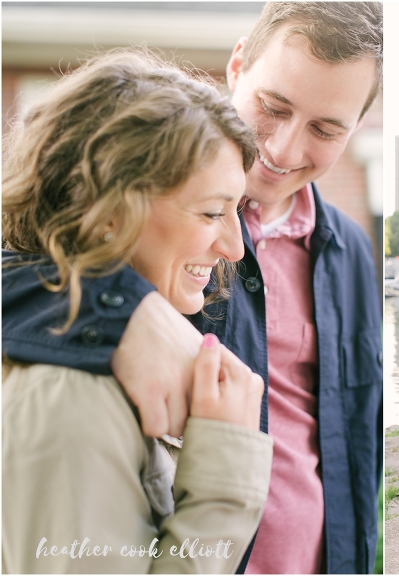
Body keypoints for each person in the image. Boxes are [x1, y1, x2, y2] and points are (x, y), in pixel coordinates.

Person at [1, 3, 383, 573]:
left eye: (327, 129)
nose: (280, 150)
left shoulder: (351, 249)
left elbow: (355, 438)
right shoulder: (146, 227)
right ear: (236, 68)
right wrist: (124, 310)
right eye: (272, 108)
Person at [2, 51, 273, 572]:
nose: (236, 249)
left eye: (236, 211)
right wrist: (224, 481)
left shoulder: (113, 359)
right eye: (212, 211)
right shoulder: (71, 398)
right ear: (107, 212)